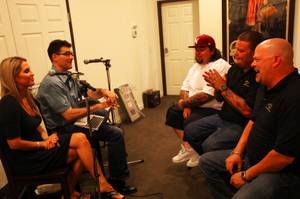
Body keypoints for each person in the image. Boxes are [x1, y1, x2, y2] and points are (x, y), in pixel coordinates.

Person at [0, 56, 125, 199]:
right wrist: (42, 143)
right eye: (27, 71)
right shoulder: (8, 104)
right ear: (14, 77)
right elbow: (14, 143)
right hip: (26, 159)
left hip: (40, 147)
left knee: (83, 150)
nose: (32, 73)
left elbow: (36, 125)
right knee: (81, 141)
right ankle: (101, 184)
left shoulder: (27, 97)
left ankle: (70, 193)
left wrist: (46, 137)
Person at [200, 38, 300, 199]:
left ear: (275, 61)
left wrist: (246, 175)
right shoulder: (265, 85)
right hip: (251, 158)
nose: (253, 64)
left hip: (280, 172)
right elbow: (253, 120)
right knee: (206, 162)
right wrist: (237, 152)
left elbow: (283, 157)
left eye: (257, 60)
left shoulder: (294, 96)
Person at [36, 40, 136, 195]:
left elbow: (89, 93)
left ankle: (117, 180)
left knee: (116, 133)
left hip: (77, 123)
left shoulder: (69, 76)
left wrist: (103, 92)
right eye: (66, 54)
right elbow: (68, 115)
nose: (71, 57)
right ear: (54, 57)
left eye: (71, 53)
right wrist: (99, 106)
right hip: (63, 129)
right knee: (101, 115)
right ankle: (97, 182)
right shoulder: (51, 83)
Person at [183, 31, 264, 159]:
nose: (235, 54)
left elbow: (247, 111)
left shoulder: (258, 76)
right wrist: (217, 87)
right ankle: (211, 160)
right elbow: (220, 97)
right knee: (190, 131)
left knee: (210, 145)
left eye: (241, 51)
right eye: (236, 49)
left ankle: (223, 163)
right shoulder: (234, 69)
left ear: (255, 54)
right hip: (223, 116)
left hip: (240, 124)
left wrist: (223, 87)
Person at [165, 34, 231, 167]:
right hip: (194, 105)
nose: (198, 52)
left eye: (201, 49)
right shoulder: (195, 67)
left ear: (212, 50)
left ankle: (199, 153)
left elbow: (206, 96)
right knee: (173, 112)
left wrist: (185, 103)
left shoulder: (220, 65)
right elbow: (185, 89)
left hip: (213, 108)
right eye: (196, 49)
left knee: (189, 122)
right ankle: (190, 149)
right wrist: (186, 105)